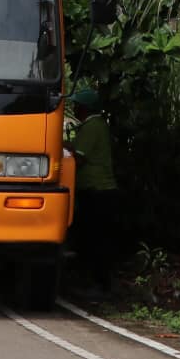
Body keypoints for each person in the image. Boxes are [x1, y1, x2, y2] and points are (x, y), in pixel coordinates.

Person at [67, 85, 120, 289]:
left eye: (77, 105)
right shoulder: (96, 125)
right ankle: (96, 281)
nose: (75, 108)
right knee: (95, 237)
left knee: (96, 239)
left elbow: (79, 159)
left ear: (84, 108)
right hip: (99, 191)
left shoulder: (92, 126)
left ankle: (99, 283)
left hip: (98, 190)